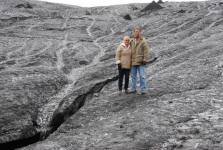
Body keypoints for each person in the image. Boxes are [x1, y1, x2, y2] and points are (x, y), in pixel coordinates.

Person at [129, 27, 149, 94]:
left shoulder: (143, 41)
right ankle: (133, 88)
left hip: (141, 62)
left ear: (140, 32)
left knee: (142, 76)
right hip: (133, 61)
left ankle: (143, 89)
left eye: (137, 31)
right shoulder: (131, 41)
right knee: (133, 76)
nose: (136, 33)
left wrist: (145, 60)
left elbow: (146, 51)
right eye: (135, 32)